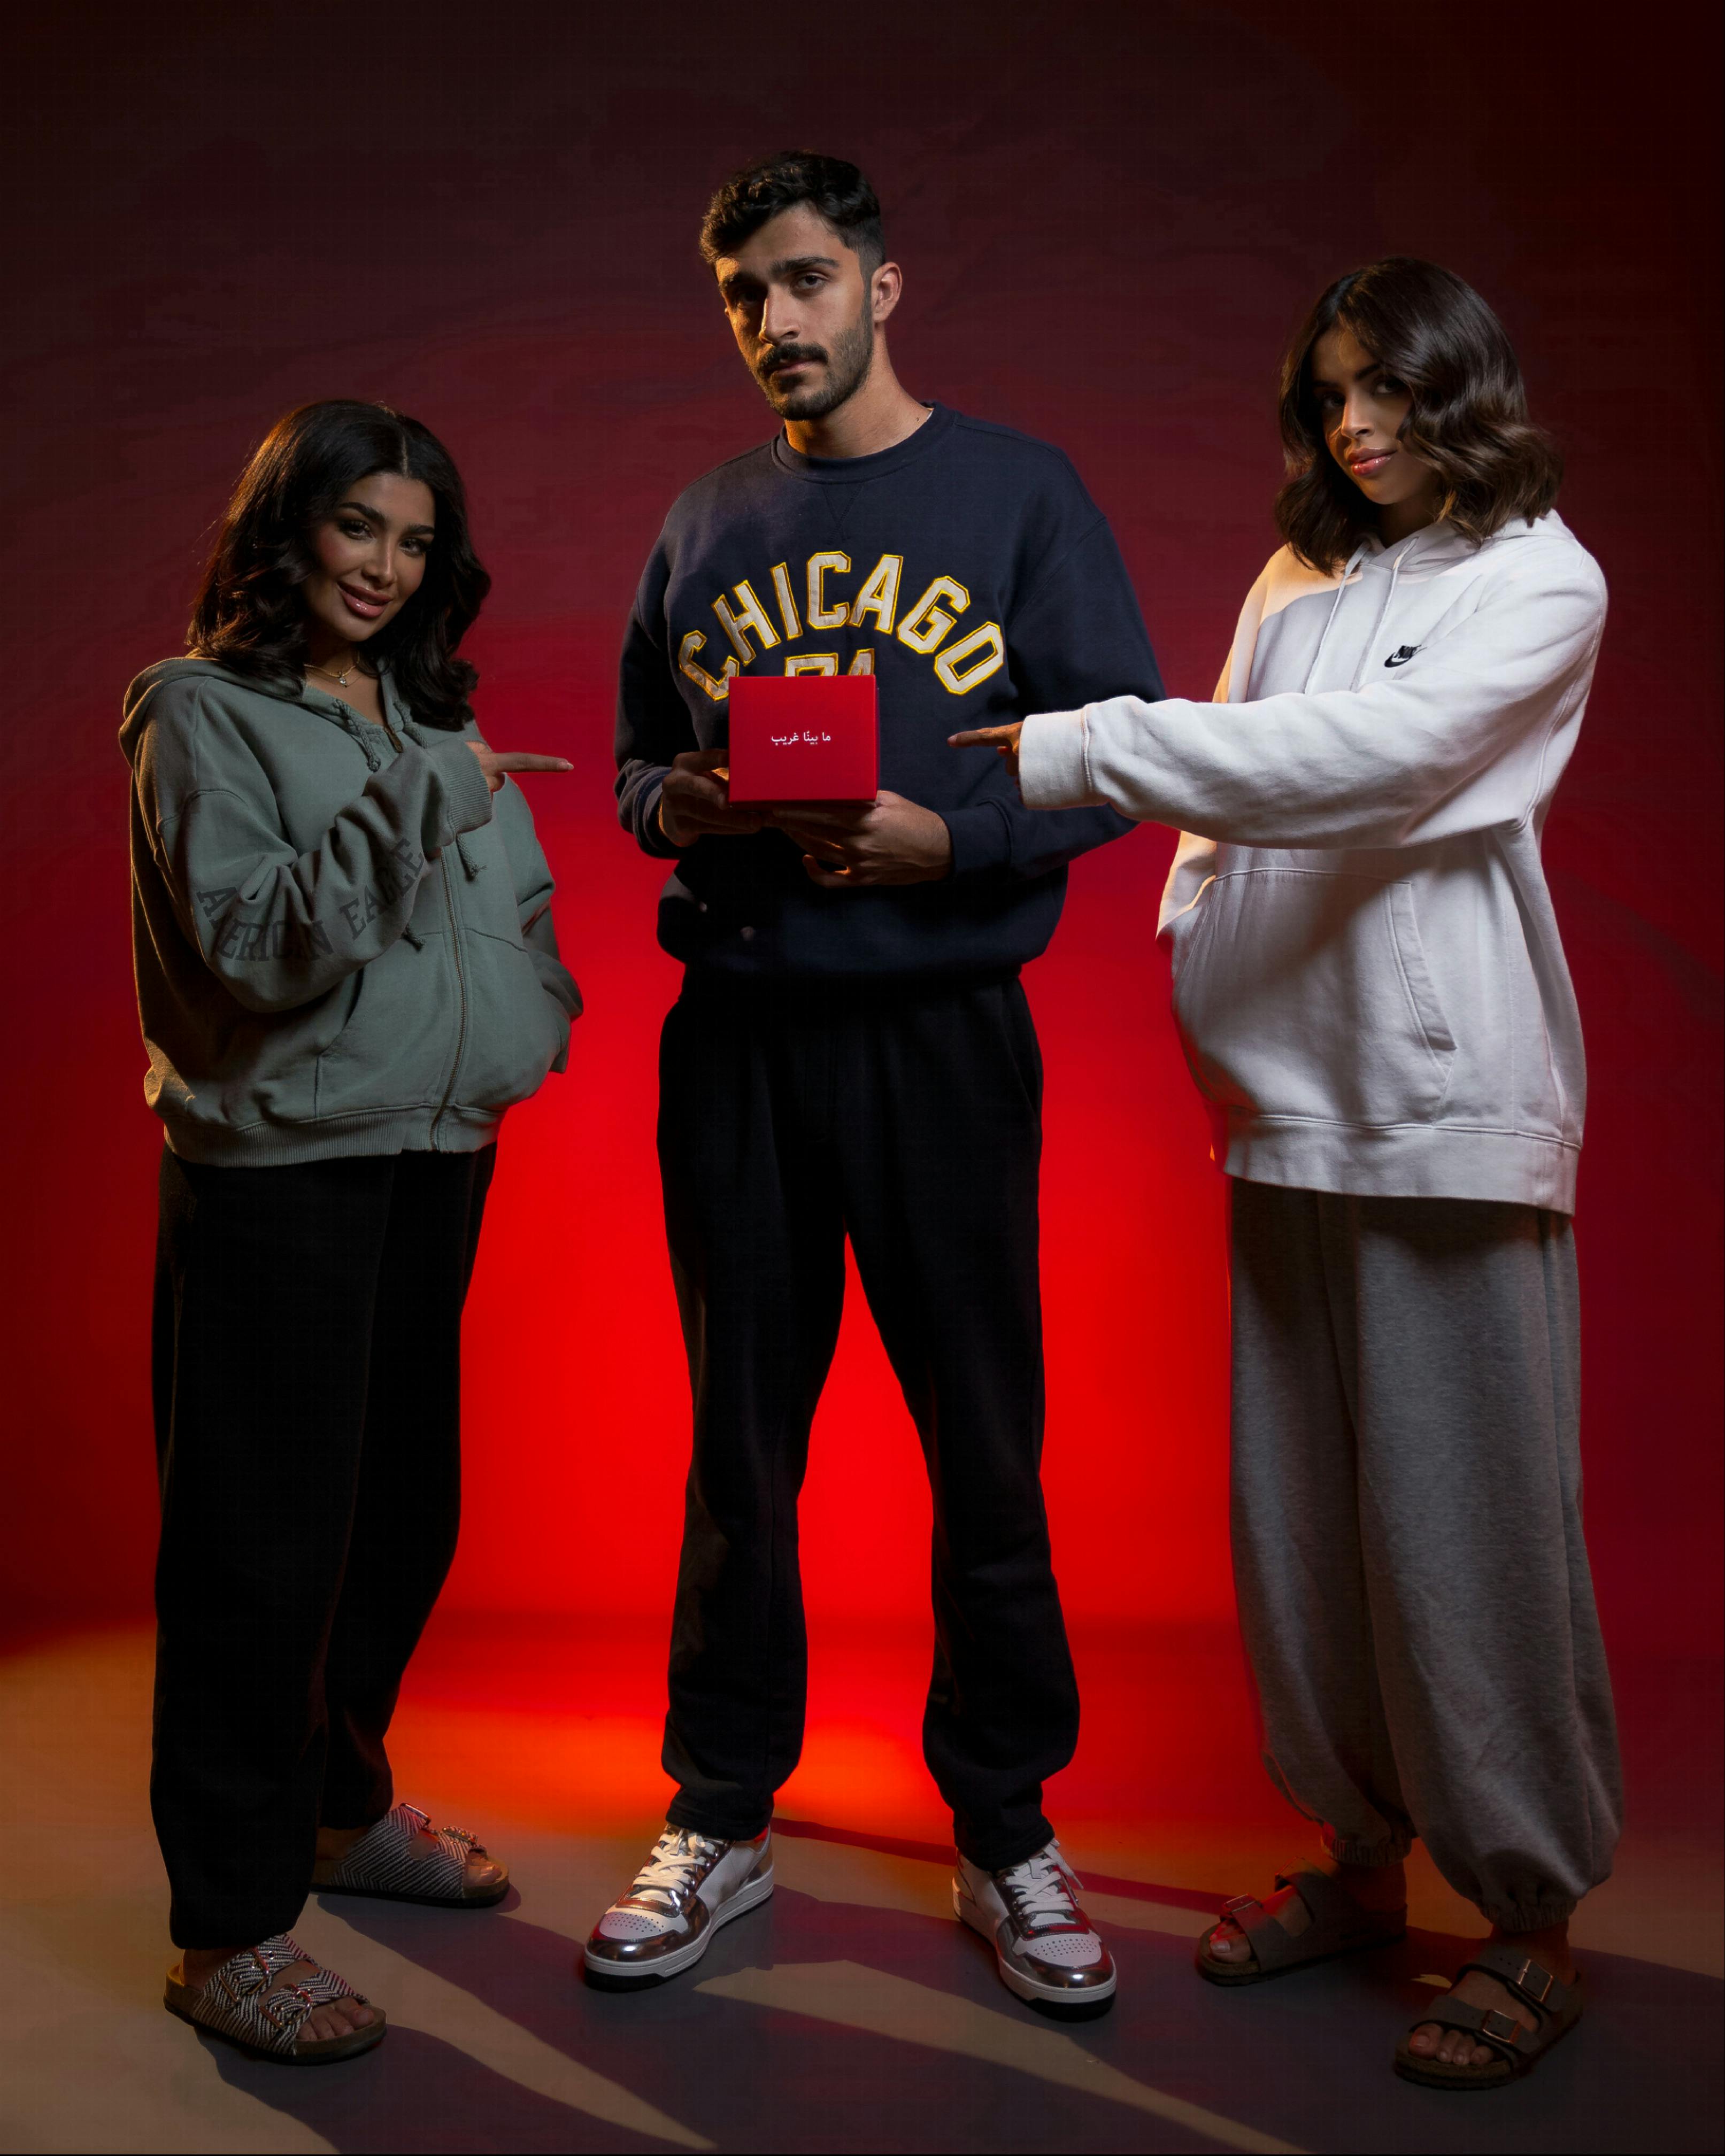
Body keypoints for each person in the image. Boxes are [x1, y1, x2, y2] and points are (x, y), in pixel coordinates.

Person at [955, 257, 1621, 2087]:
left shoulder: (1540, 575)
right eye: (1331, 393)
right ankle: (1358, 1860)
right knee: (1300, 1531)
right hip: (1277, 1114)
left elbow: (1373, 764)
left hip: (1442, 1113)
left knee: (1464, 1529)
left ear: (1460, 390)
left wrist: (1091, 744)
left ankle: (1528, 1911)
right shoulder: (1293, 578)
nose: (1356, 426)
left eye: (1391, 390)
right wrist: (1196, 947)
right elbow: (1231, 792)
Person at [588, 151, 1163, 2016]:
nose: (777, 320)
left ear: (883, 288)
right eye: (745, 291)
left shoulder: (1019, 493)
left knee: (981, 1440)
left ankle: (1006, 1826)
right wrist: (673, 800)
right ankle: (722, 1808)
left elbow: (1121, 747)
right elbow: (628, 762)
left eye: (807, 279)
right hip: (743, 1035)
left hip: (939, 1033)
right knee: (741, 1448)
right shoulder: (700, 517)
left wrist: (956, 836)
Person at [123, 399, 580, 2064]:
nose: (385, 567)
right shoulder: (199, 716)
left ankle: (334, 1806)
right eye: (356, 528)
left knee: (397, 1518)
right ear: (288, 530)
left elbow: (510, 911)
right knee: (259, 1554)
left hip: (433, 1156)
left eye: (414, 538)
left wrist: (533, 1008)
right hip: (278, 1176)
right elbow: (252, 945)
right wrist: (414, 805)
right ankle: (228, 1926)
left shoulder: (416, 706)